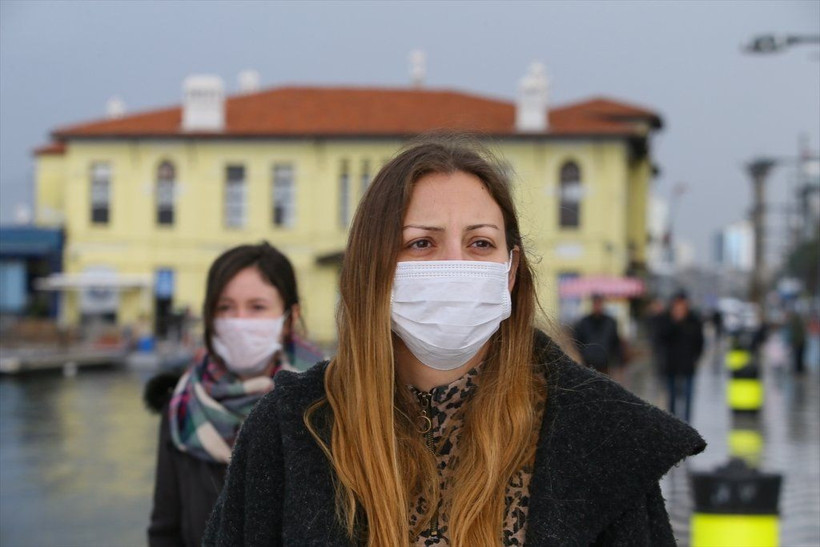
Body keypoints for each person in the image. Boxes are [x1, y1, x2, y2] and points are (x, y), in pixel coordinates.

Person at [205, 138, 705, 546]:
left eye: (480, 243)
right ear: (373, 268)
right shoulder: (291, 430)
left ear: (510, 272)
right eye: (421, 243)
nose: (455, 265)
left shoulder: (603, 437)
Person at [145, 242, 323, 547]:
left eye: (257, 307)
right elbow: (165, 531)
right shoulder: (181, 406)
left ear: (290, 317)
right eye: (225, 308)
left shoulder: (325, 404)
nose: (239, 320)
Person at [658, 290, 704, 423]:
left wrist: (696, 358)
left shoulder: (693, 320)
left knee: (688, 398)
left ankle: (687, 425)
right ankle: (673, 424)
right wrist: (675, 322)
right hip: (671, 364)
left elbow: (699, 342)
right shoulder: (667, 318)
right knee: (671, 397)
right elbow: (661, 338)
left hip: (688, 364)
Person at [573, 293, 623, 377]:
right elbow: (577, 340)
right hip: (588, 363)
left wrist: (617, 362)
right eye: (596, 303)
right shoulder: (584, 322)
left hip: (605, 363)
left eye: (599, 303)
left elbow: (615, 342)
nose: (598, 306)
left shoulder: (610, 322)